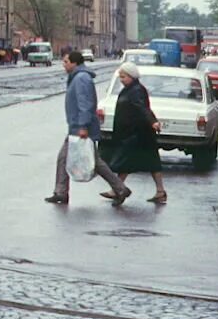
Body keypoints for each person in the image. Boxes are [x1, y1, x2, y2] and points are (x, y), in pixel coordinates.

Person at [47, 50, 131, 205]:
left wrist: (83, 126)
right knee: (65, 159)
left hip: (81, 127)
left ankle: (120, 189)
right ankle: (61, 192)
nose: (63, 65)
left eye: (65, 62)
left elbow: (85, 104)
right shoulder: (78, 77)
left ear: (74, 63)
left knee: (94, 162)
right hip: (77, 126)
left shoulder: (81, 79)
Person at [107, 62, 168, 204]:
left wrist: (152, 122)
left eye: (123, 77)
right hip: (135, 133)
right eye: (120, 77)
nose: (121, 80)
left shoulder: (136, 91)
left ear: (131, 76)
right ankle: (159, 191)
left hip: (139, 134)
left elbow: (142, 108)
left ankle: (118, 189)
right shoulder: (131, 89)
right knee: (134, 162)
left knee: (131, 162)